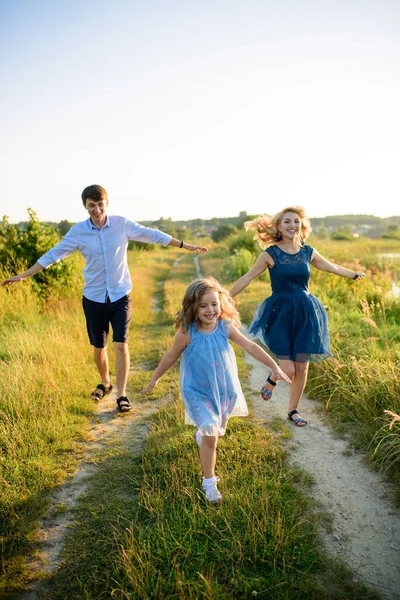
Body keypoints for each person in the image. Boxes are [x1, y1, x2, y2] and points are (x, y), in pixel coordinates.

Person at [0, 184, 208, 412]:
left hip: (120, 296)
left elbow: (152, 235)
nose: (97, 210)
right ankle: (106, 383)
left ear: (106, 204)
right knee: (99, 348)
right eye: (92, 206)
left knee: (121, 345)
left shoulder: (121, 224)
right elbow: (54, 254)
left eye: (100, 204)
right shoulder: (78, 232)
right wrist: (23, 275)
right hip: (93, 298)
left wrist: (184, 245)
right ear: (85, 207)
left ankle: (122, 395)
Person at [141, 276, 291, 503]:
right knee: (212, 438)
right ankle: (209, 483)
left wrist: (273, 366)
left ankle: (203, 435)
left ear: (221, 303)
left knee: (215, 432)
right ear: (193, 307)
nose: (210, 310)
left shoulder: (225, 327)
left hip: (224, 389)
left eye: (214, 304)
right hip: (196, 390)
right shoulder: (187, 332)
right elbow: (171, 356)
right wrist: (155, 379)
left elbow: (250, 346)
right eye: (203, 305)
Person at [229, 206, 366, 427]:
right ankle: (274, 376)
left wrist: (353, 274)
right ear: (279, 227)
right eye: (287, 222)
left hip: (306, 313)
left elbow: (330, 267)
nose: (293, 225)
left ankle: (293, 410)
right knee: (289, 369)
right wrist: (225, 297)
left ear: (302, 226)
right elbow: (248, 278)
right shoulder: (270, 254)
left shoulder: (308, 252)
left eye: (296, 221)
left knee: (302, 367)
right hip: (280, 313)